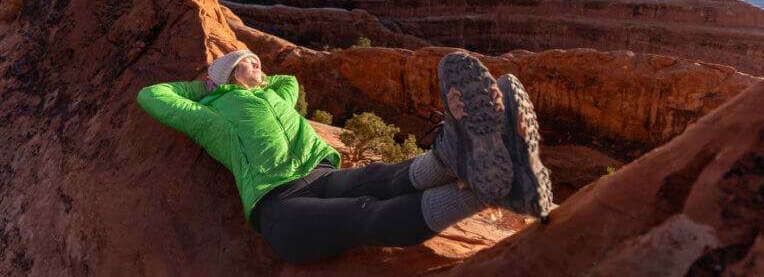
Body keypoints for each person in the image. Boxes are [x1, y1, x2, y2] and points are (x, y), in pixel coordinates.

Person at [137, 49, 552, 263]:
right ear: (227, 76)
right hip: (279, 205)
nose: (257, 63)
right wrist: (209, 87)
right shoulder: (212, 115)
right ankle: (489, 191)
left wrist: (253, 76)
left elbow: (289, 80)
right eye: (247, 63)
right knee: (365, 211)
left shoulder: (275, 94)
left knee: (385, 177)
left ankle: (455, 157)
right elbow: (151, 96)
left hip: (320, 174)